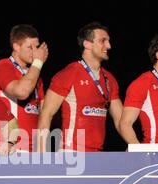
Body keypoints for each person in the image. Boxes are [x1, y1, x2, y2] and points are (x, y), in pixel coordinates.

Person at [38, 22, 123, 152]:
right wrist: (41, 156)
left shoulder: (109, 79)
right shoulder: (68, 74)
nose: (109, 46)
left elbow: (121, 121)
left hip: (98, 154)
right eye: (103, 41)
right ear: (87, 44)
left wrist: (135, 146)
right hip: (71, 154)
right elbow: (46, 114)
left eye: (108, 41)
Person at [0, 24, 48, 151]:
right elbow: (21, 92)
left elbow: (43, 113)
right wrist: (38, 62)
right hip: (10, 147)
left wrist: (43, 149)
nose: (35, 52)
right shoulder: (3, 66)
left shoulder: (34, 73)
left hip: (33, 148)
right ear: (16, 46)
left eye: (37, 47)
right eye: (29, 47)